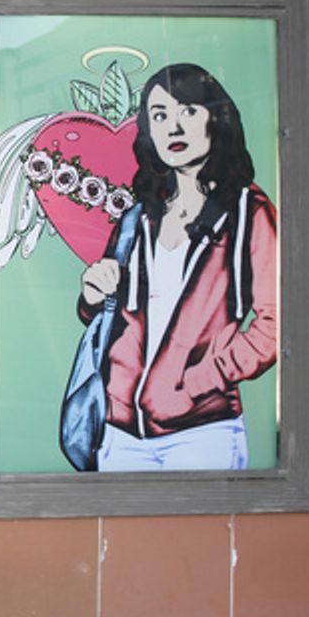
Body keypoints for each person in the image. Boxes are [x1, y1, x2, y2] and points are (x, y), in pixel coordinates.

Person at [78, 62, 277, 471]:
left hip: (202, 432)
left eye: (188, 110)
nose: (174, 126)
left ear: (215, 119)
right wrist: (92, 296)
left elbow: (276, 326)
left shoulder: (247, 212)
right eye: (160, 115)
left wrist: (197, 382)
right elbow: (110, 319)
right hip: (120, 431)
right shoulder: (139, 218)